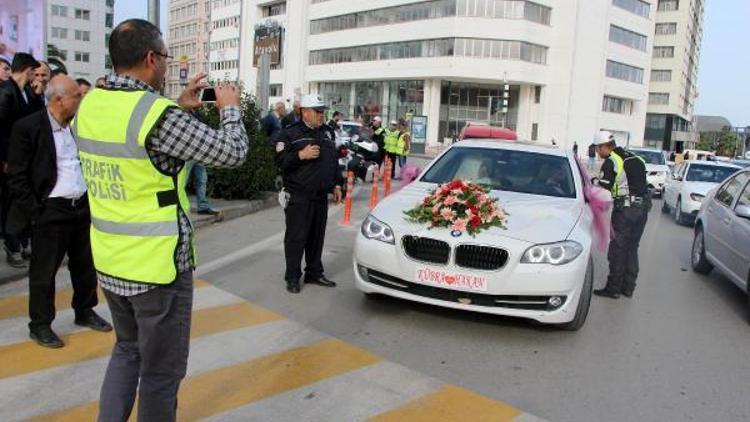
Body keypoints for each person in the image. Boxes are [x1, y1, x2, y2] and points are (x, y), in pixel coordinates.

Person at [72, 19, 248, 421]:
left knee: (126, 351)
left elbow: (133, 148)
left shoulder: (91, 106)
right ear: (151, 58)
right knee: (161, 374)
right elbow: (233, 152)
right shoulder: (157, 116)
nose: (168, 66)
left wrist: (177, 107)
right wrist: (230, 109)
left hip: (112, 261)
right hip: (156, 269)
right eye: (166, 57)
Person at [6, 75, 112, 349]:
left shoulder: (77, 127)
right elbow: (16, 177)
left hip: (80, 207)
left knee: (85, 266)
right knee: (44, 273)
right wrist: (36, 212)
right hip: (50, 211)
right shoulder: (28, 127)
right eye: (77, 95)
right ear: (59, 99)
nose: (81, 99)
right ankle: (40, 325)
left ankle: (85, 310)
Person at [275, 94, 343, 294]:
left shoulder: (327, 133)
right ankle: (293, 277)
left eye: (322, 112)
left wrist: (337, 185)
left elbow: (333, 161)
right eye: (317, 111)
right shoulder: (290, 133)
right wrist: (300, 155)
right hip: (298, 195)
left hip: (320, 195)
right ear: (305, 112)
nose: (321, 115)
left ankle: (314, 272)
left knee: (316, 237)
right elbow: (279, 161)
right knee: (296, 238)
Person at [592, 131, 649, 299]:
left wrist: (594, 183)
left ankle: (613, 289)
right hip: (643, 209)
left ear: (605, 147)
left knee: (618, 248)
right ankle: (628, 287)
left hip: (625, 211)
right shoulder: (634, 158)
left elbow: (604, 188)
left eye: (598, 148)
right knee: (632, 248)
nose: (597, 152)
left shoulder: (612, 161)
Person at [0, 52, 42, 267]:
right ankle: (12, 245)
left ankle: (21, 243)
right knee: (9, 205)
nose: (38, 76)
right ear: (28, 70)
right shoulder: (6, 92)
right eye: (35, 71)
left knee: (19, 202)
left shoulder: (25, 92)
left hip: (22, 160)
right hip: (8, 161)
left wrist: (37, 95)